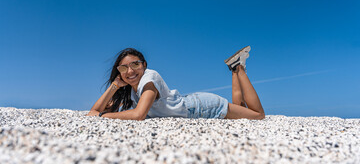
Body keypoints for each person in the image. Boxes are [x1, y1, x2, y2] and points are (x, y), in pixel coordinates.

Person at [86, 47, 265, 120]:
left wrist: (103, 117)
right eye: (124, 68)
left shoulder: (149, 79)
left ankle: (239, 68)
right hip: (194, 104)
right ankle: (234, 68)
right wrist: (115, 85)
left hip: (203, 107)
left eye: (135, 64)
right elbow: (94, 110)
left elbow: (139, 114)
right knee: (239, 107)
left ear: (144, 65)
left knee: (257, 115)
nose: (130, 71)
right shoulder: (133, 89)